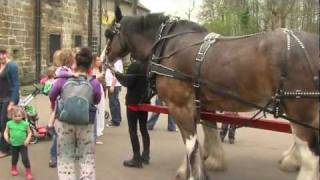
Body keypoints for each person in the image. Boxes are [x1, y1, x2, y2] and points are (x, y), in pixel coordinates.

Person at [49, 47, 101, 179]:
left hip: (65, 123)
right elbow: (97, 99)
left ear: (75, 63)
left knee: (66, 157)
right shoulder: (94, 82)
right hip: (86, 123)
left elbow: (52, 95)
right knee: (86, 157)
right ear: (90, 64)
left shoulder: (62, 80)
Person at [109, 60, 150, 168]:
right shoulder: (146, 65)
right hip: (144, 101)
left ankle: (136, 158)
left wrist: (115, 73)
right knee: (143, 129)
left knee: (133, 130)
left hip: (133, 101)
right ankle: (146, 155)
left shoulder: (134, 65)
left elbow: (127, 82)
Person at [47, 49, 75, 168]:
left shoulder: (59, 76)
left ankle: (54, 157)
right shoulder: (73, 74)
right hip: (72, 108)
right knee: (67, 133)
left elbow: (51, 95)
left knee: (60, 133)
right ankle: (58, 156)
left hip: (60, 108)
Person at [0, 48, 20, 158]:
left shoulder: (12, 66)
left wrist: (12, 102)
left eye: (2, 54)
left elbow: (16, 85)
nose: (1, 57)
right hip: (1, 98)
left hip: (8, 99)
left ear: (6, 54)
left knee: (4, 124)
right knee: (1, 124)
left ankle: (5, 149)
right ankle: (7, 144)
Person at [4, 106, 33, 180]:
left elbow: (29, 133)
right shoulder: (9, 123)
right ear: (11, 116)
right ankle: (13, 168)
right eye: (15, 116)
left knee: (25, 159)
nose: (17, 118)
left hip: (23, 145)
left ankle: (28, 171)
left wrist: (27, 140)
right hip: (13, 145)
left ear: (22, 115)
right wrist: (6, 137)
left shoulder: (25, 124)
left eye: (19, 116)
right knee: (14, 158)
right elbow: (6, 132)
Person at [92, 54, 105, 144]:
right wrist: (98, 77)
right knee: (95, 110)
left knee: (101, 108)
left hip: (100, 88)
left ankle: (99, 128)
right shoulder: (91, 69)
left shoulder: (100, 69)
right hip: (94, 89)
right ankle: (95, 132)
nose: (99, 62)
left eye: (100, 60)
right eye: (97, 60)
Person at [105, 58, 123, 127]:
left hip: (113, 85)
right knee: (116, 101)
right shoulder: (115, 60)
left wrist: (112, 85)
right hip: (113, 84)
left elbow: (116, 74)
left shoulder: (116, 61)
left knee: (113, 103)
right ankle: (118, 118)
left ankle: (115, 121)